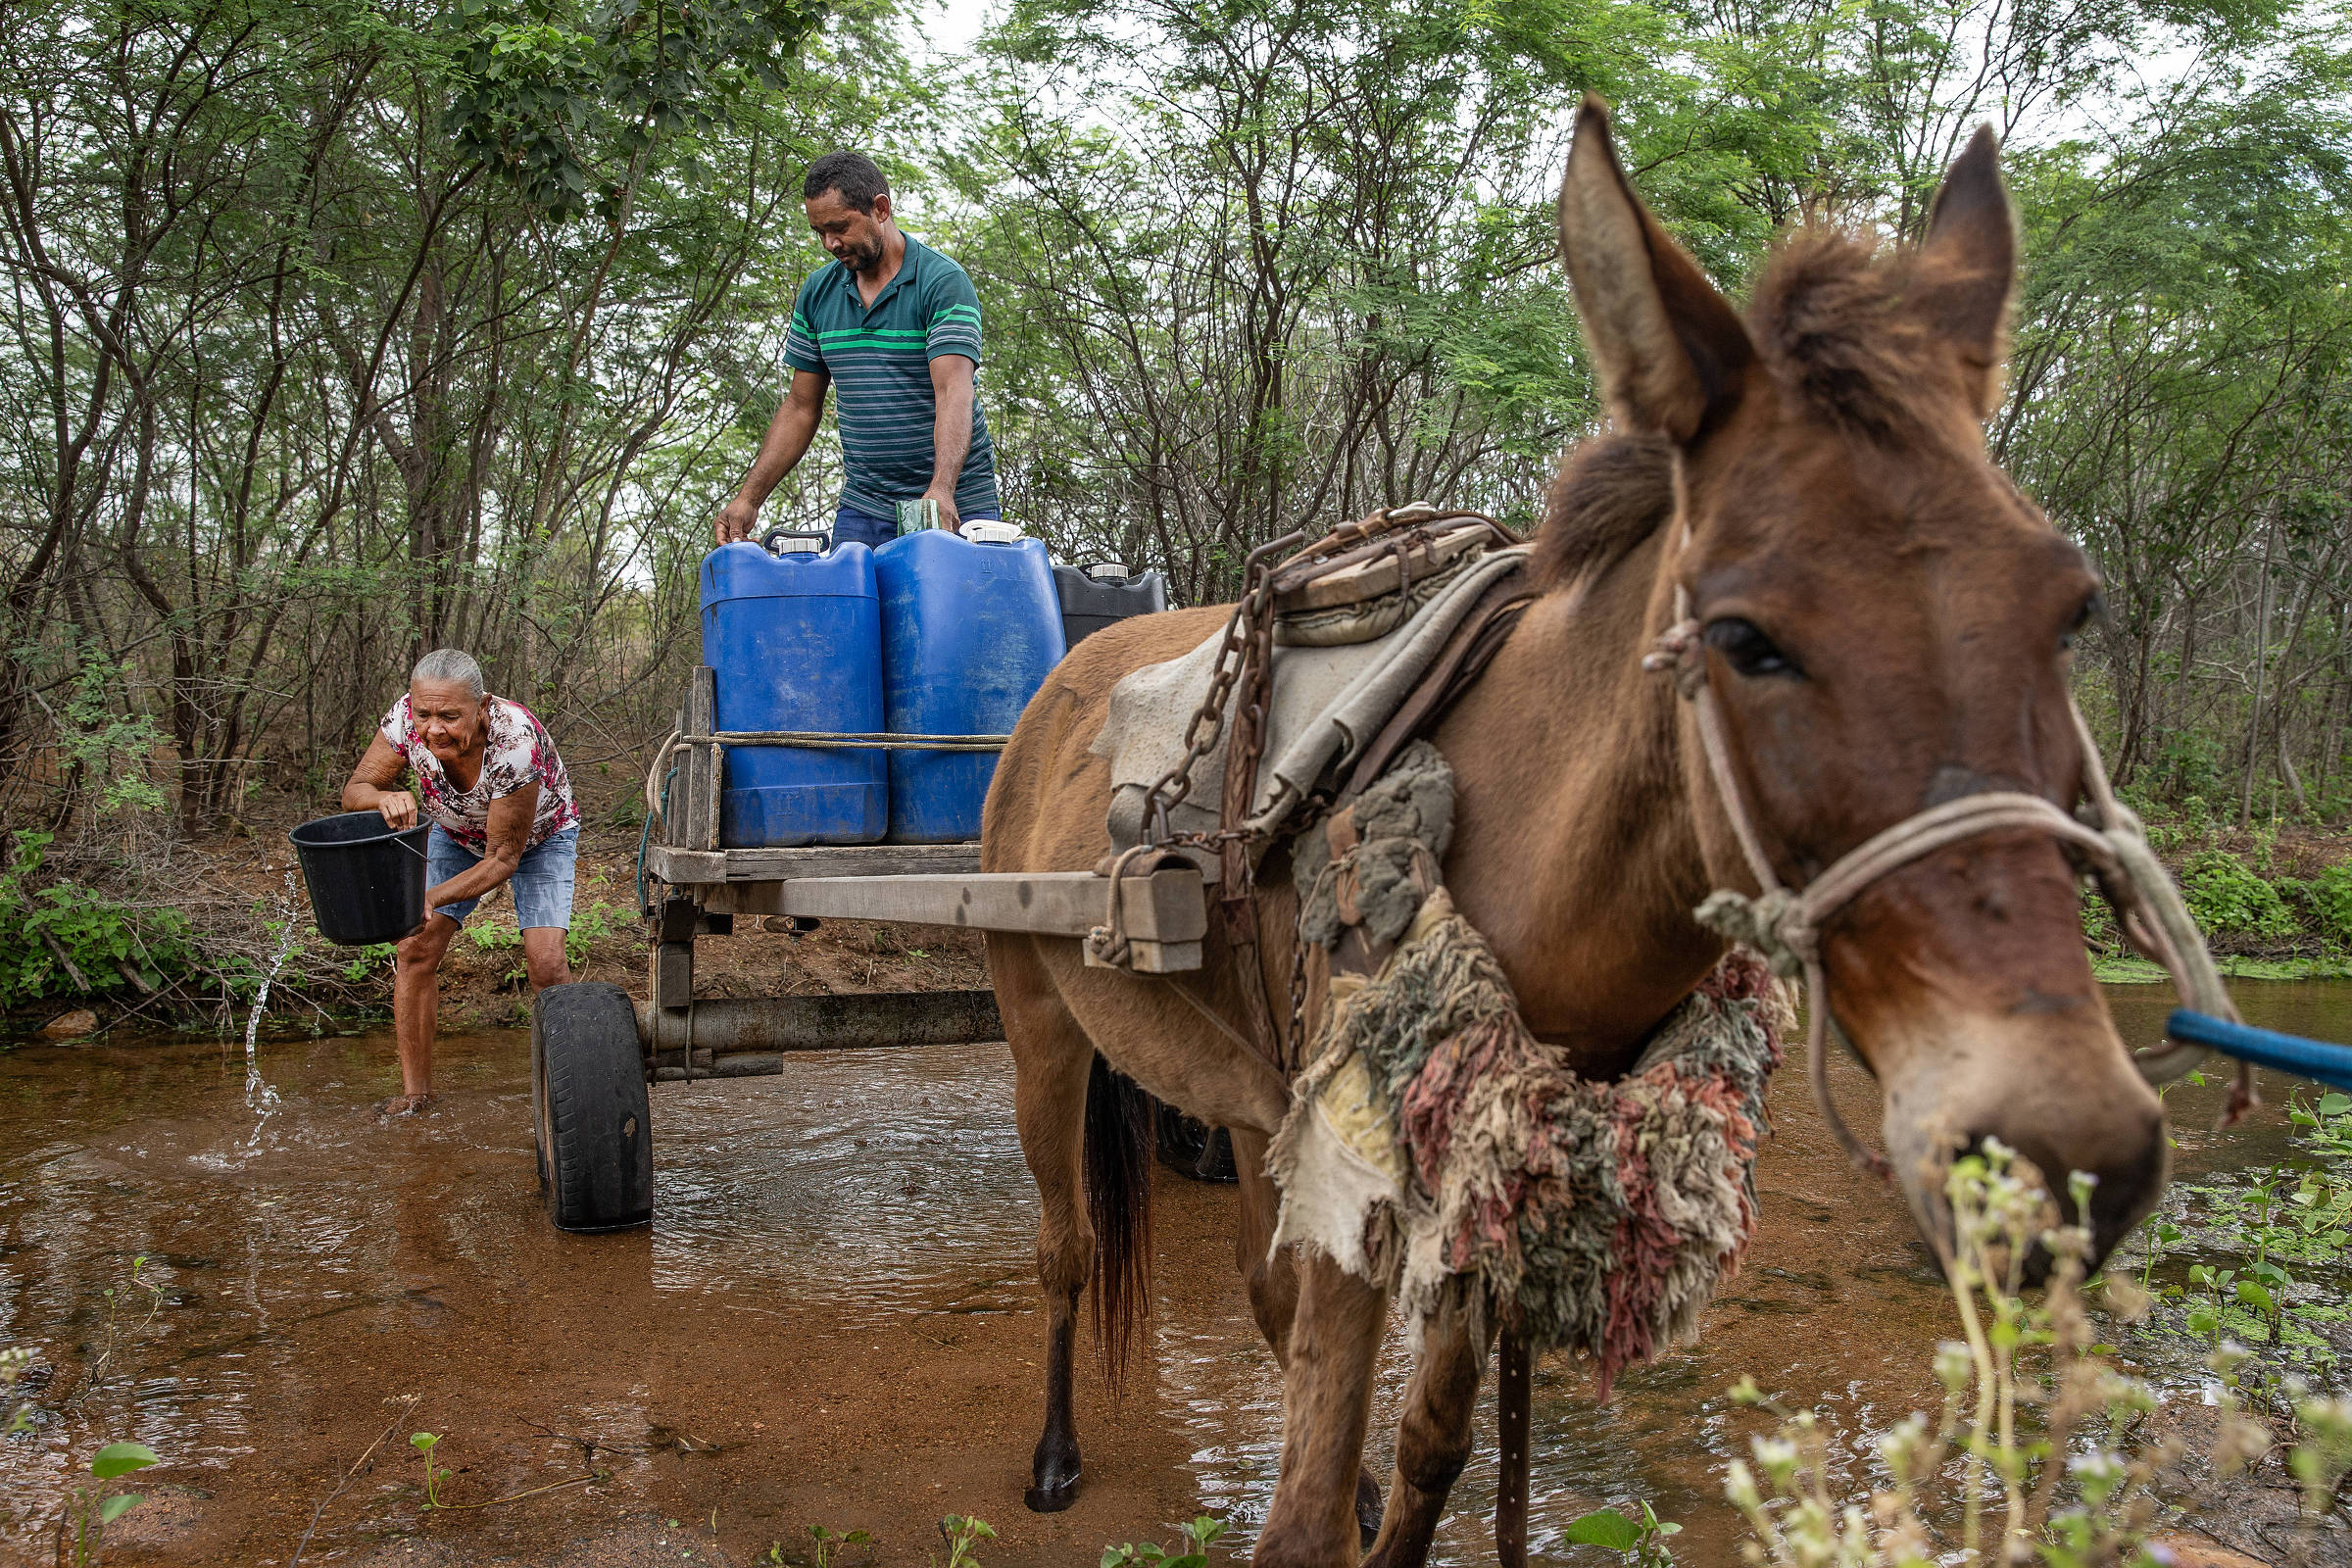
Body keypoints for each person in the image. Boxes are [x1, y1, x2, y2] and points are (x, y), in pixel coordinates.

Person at [714, 150, 1004, 549]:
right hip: (866, 505)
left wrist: (941, 489)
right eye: (819, 231)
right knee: (853, 609)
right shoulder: (818, 293)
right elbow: (801, 407)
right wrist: (749, 498)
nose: (830, 243)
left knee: (952, 610)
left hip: (957, 499)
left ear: (880, 209)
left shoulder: (942, 283)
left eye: (839, 228)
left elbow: (953, 391)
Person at [341, 649, 581, 1114]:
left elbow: (501, 860)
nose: (434, 728)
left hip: (539, 838)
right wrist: (385, 797)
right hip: (452, 831)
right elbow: (356, 789)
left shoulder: (515, 743)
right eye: (425, 713)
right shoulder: (402, 721)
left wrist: (426, 897)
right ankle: (416, 1097)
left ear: (482, 706)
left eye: (450, 716)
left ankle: (573, 1091)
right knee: (415, 946)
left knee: (546, 963)